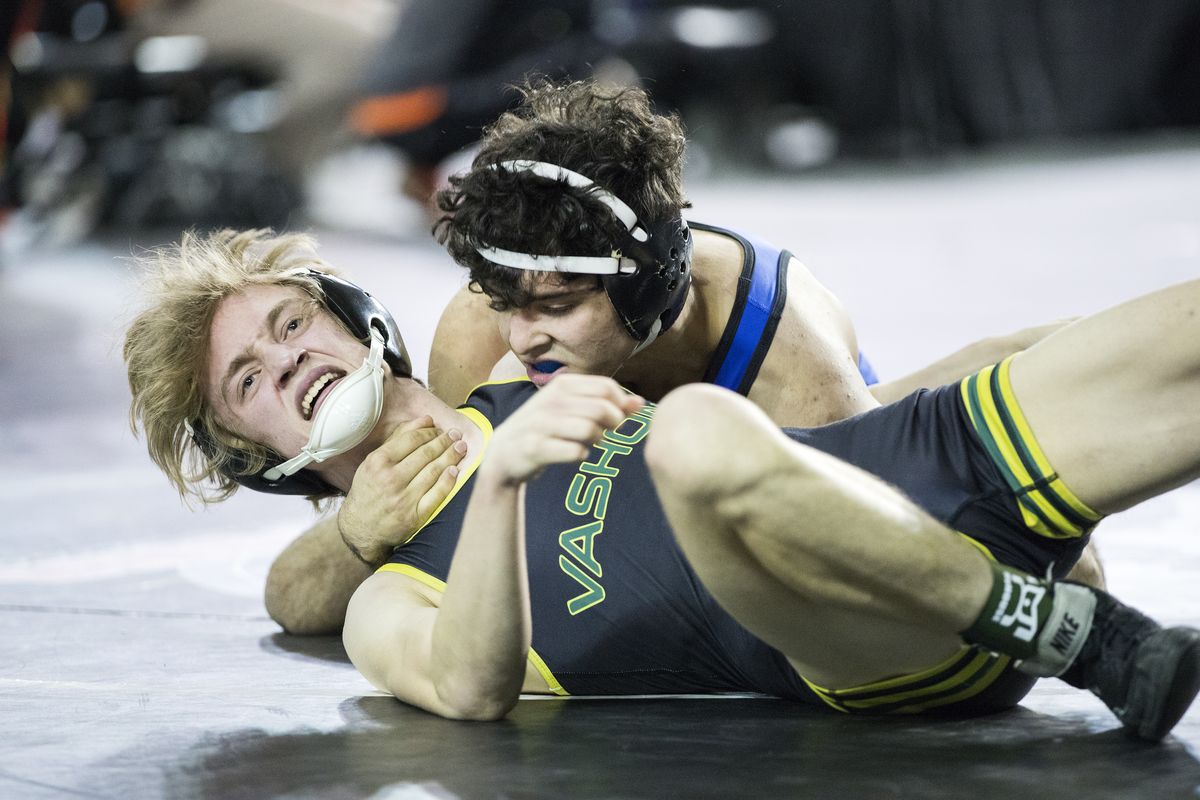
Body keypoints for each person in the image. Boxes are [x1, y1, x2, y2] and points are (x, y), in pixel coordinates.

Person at [124, 228, 1200, 740]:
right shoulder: (385, 593)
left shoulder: (513, 354)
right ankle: (1078, 635)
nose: (293, 360)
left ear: (352, 312)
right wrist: (498, 486)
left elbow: (726, 285)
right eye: (251, 379)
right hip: (847, 631)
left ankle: (1047, 596)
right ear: (253, 457)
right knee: (693, 436)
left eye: (291, 322)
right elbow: (467, 686)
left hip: (898, 477)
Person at [298, 78, 1101, 621]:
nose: (521, 337)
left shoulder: (795, 367)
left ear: (651, 285)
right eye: (507, 302)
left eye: (556, 307)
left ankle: (1007, 382)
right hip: (687, 475)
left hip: (817, 447)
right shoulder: (482, 325)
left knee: (1057, 566)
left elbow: (862, 580)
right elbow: (460, 537)